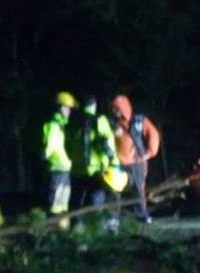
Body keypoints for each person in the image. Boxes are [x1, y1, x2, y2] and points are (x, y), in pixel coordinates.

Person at [67, 96, 118, 226]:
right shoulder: (99, 120)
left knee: (76, 202)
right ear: (94, 106)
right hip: (96, 169)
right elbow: (107, 144)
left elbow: (67, 146)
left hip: (76, 169)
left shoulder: (72, 123)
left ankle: (76, 228)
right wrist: (113, 162)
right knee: (96, 200)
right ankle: (96, 228)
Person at [111, 95, 161, 223]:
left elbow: (153, 134)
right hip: (118, 163)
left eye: (117, 109)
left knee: (138, 190)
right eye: (114, 109)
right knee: (115, 189)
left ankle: (142, 215)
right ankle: (114, 217)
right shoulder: (114, 123)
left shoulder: (138, 121)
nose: (115, 112)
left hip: (136, 163)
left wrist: (149, 152)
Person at [42, 92, 77, 229]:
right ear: (60, 107)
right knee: (56, 202)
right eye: (67, 108)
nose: (69, 111)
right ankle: (54, 228)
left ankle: (63, 228)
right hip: (57, 168)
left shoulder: (63, 125)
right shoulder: (54, 125)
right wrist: (45, 157)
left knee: (63, 201)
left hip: (65, 167)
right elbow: (49, 147)